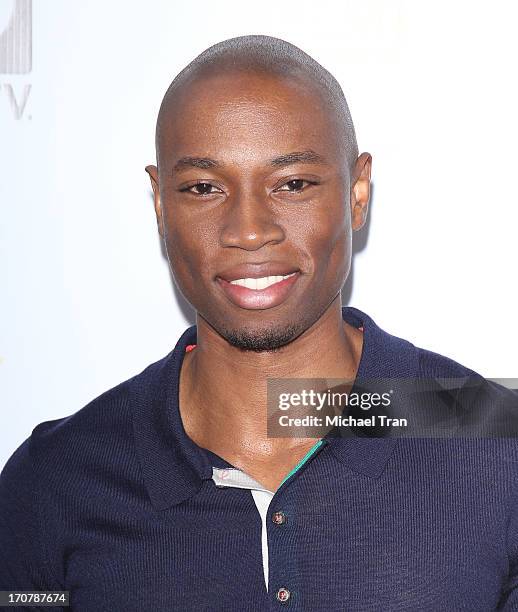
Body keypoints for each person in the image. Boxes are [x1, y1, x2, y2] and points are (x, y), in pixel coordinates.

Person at [1, 34, 517, 612]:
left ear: (357, 191)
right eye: (203, 187)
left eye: (293, 184)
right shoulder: (53, 481)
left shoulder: (496, 443)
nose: (249, 230)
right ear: (160, 204)